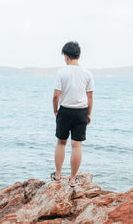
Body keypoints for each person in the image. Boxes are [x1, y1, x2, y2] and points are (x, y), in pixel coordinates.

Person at [51, 41, 94, 187]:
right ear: (79, 55)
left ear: (66, 56)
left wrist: (55, 110)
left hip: (65, 110)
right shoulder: (87, 73)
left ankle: (57, 176)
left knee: (61, 142)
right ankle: (73, 179)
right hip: (81, 110)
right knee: (77, 145)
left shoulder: (61, 72)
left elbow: (56, 95)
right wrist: (88, 114)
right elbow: (90, 97)